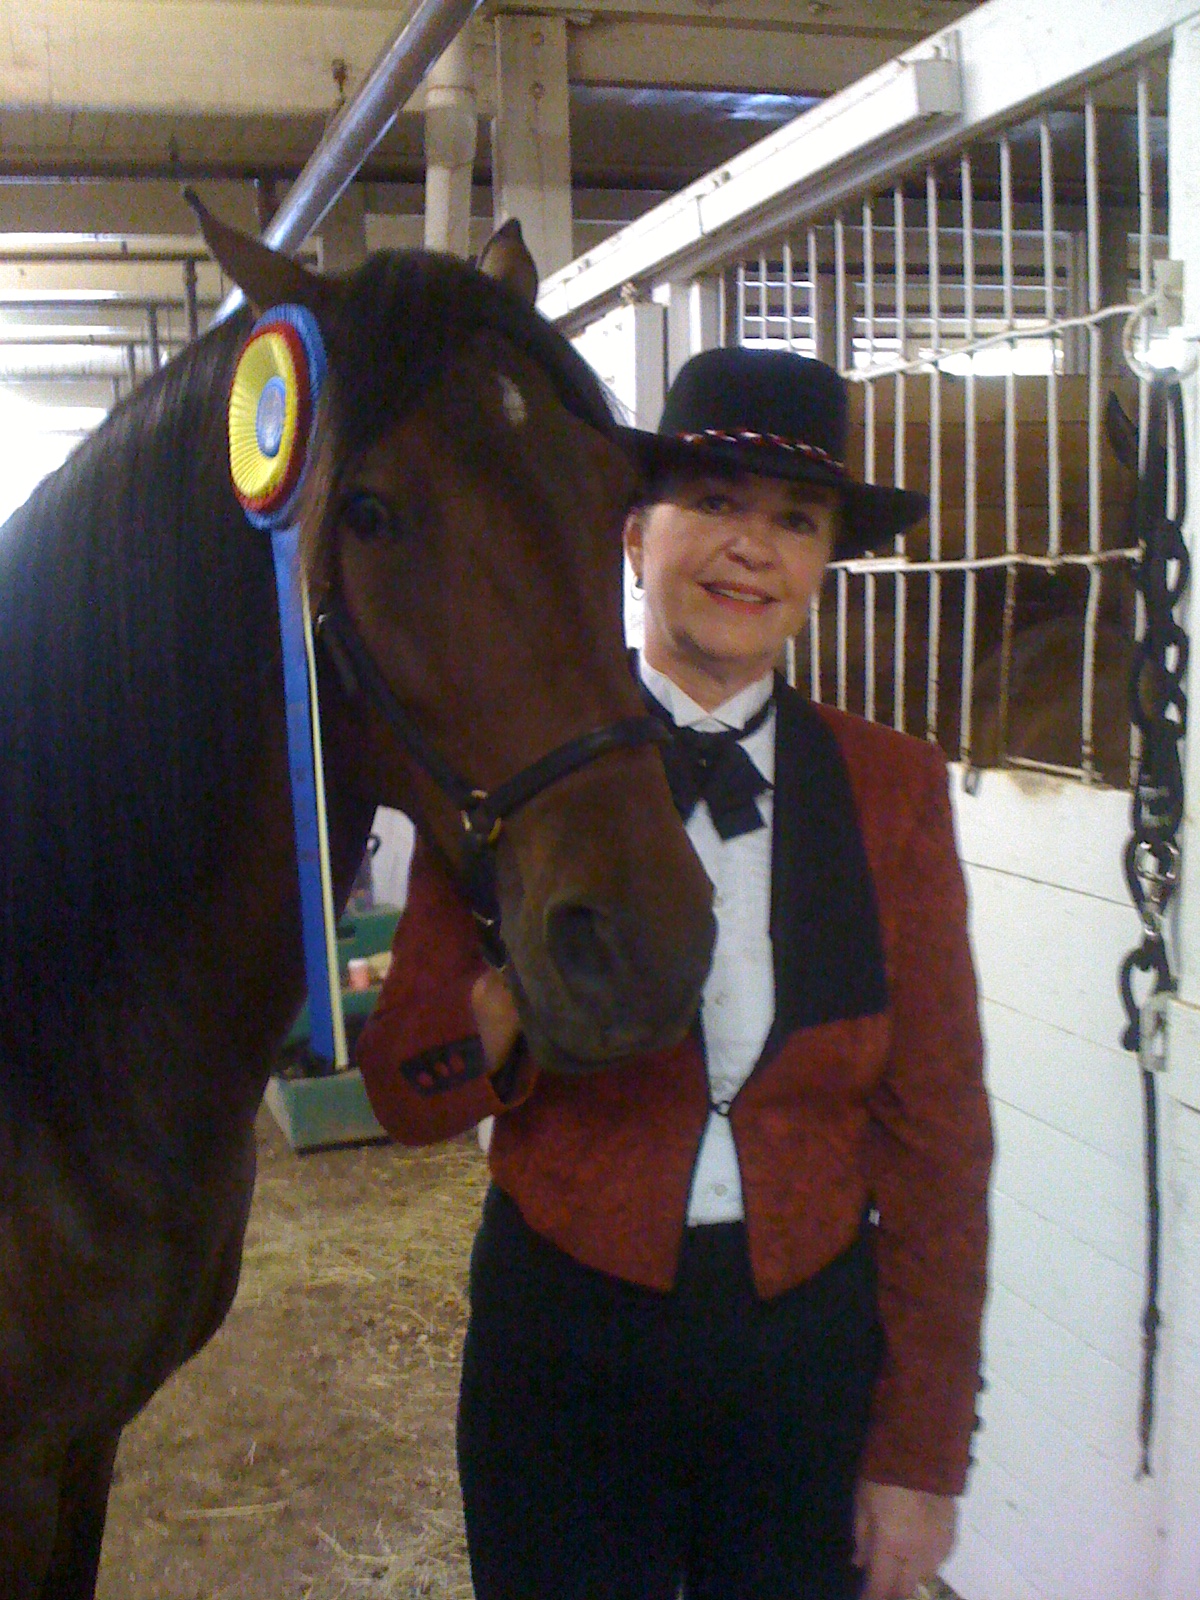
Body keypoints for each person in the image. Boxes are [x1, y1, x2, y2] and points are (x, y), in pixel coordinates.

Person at [356, 346, 993, 1600]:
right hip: (566, 1343)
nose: (751, 549)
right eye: (712, 503)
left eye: (793, 521)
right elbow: (404, 1092)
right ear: (635, 536)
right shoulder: (506, 766)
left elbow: (939, 1141)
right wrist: (508, 1010)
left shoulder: (892, 789)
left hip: (810, 1350)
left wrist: (921, 1458)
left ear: (821, 568)